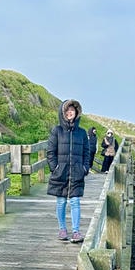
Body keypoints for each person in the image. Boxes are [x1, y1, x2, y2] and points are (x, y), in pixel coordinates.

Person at [47, 99, 89, 243]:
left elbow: (86, 152)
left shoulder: (82, 133)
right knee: (61, 202)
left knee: (75, 201)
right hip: (61, 173)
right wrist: (55, 168)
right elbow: (50, 152)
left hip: (77, 172)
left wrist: (84, 168)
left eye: (72, 110)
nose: (70, 112)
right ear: (63, 113)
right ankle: (62, 229)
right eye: (67, 110)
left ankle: (76, 232)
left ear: (76, 113)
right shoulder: (57, 131)